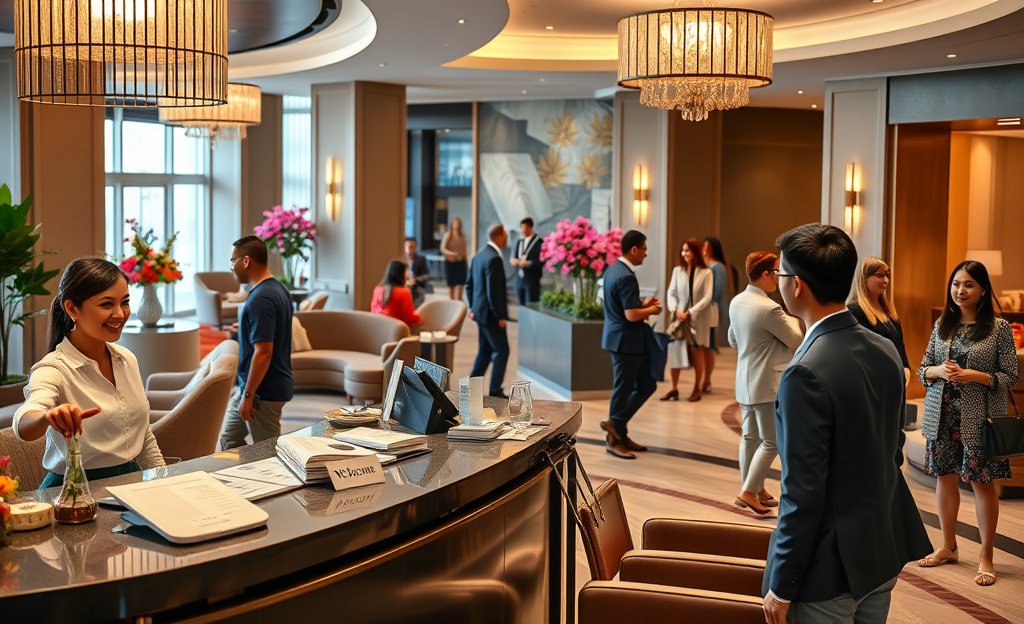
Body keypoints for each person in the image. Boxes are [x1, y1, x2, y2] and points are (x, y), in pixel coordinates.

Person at [762, 223, 931, 624]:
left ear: (796, 285)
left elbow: (802, 493)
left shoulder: (804, 373)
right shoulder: (886, 349)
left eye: (780, 273)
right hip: (881, 547)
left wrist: (783, 583)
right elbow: (891, 451)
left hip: (829, 569)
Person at [13, 258, 164, 488]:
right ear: (72, 309)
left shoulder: (127, 359)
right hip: (74, 492)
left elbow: (144, 437)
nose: (120, 314)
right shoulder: (53, 369)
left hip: (130, 485)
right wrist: (47, 416)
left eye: (124, 302)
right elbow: (25, 422)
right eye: (106, 304)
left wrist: (164, 479)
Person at [917, 260, 1018, 587]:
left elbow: (1010, 376)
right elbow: (923, 369)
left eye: (969, 284)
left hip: (979, 419)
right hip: (942, 415)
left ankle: (986, 556)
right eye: (956, 284)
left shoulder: (999, 328)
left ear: (984, 289)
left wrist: (975, 376)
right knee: (944, 479)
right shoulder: (942, 324)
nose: (960, 290)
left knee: (982, 483)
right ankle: (948, 546)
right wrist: (937, 371)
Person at [728, 251, 802, 515]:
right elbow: (795, 339)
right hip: (768, 383)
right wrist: (795, 319)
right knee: (772, 442)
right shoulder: (770, 308)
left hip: (745, 380)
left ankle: (755, 488)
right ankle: (748, 492)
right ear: (766, 275)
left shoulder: (737, 301)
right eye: (777, 271)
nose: (780, 276)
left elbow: (733, 340)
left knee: (750, 438)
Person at [219, 236, 294, 450]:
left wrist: (249, 395)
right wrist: (244, 329)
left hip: (262, 391)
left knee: (268, 452)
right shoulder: (278, 289)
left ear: (246, 261)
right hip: (252, 387)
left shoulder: (261, 298)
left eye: (232, 261)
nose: (231, 268)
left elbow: (264, 352)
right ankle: (246, 471)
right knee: (228, 440)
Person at [600, 230, 662, 459]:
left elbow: (623, 305)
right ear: (634, 249)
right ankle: (614, 436)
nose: (646, 254)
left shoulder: (613, 269)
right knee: (625, 390)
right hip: (625, 342)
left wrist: (642, 303)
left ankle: (618, 429)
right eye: (644, 249)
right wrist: (652, 309)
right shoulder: (626, 276)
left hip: (617, 338)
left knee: (642, 385)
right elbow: (631, 315)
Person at [663, 239, 713, 402]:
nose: (684, 254)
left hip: (697, 318)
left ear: (695, 253)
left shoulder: (706, 273)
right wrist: (676, 310)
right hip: (679, 318)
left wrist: (690, 312)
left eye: (687, 251)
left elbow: (707, 297)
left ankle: (697, 388)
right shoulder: (678, 271)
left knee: (697, 351)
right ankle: (674, 389)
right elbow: (671, 293)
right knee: (675, 351)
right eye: (683, 250)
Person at [848, 257, 911, 383]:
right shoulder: (855, 310)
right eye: (880, 275)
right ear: (864, 278)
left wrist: (906, 372)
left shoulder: (890, 311)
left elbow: (901, 349)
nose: (886, 280)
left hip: (897, 381)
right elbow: (857, 355)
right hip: (874, 383)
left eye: (887, 275)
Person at [466, 224, 510, 398]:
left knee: (485, 350)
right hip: (491, 314)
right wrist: (501, 315)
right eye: (505, 235)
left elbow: (469, 285)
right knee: (502, 350)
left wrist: (472, 307)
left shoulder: (478, 256)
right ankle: (495, 390)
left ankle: (471, 389)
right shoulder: (494, 259)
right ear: (499, 236)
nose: (507, 238)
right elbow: (494, 292)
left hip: (480, 312)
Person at [702, 237, 729, 393]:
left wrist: (705, 301)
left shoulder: (718, 267)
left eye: (707, 246)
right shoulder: (703, 264)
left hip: (711, 308)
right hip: (702, 309)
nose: (705, 249)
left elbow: (717, 290)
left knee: (709, 345)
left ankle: (707, 380)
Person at [371, 260, 423, 328]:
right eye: (405, 273)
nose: (407, 277)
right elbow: (409, 318)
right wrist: (423, 319)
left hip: (376, 329)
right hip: (395, 330)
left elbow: (373, 312)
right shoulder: (404, 293)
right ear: (399, 275)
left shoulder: (377, 290)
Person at [510, 217, 543, 306]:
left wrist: (529, 263)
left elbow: (541, 260)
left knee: (531, 302)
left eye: (525, 228)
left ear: (530, 228)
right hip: (520, 277)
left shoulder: (539, 242)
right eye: (522, 228)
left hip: (532, 278)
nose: (523, 230)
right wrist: (514, 261)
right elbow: (516, 256)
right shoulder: (520, 242)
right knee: (521, 302)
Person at [440, 218, 468, 301]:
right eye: (455, 223)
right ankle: (452, 305)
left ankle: (460, 304)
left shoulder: (463, 237)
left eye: (458, 223)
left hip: (460, 262)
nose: (456, 225)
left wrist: (466, 263)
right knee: (451, 287)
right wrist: (452, 253)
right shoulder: (448, 235)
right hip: (450, 262)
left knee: (460, 285)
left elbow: (464, 251)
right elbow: (443, 248)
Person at [404, 237, 431, 308]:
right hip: (404, 285)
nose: (410, 248)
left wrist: (415, 280)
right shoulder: (402, 259)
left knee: (418, 294)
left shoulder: (421, 259)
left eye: (412, 246)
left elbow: (426, 275)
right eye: (408, 246)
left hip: (417, 286)